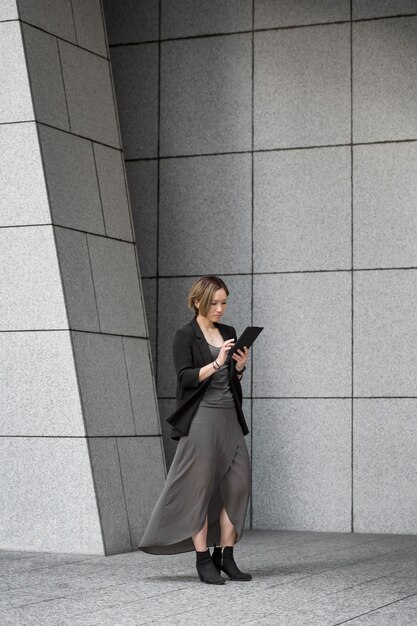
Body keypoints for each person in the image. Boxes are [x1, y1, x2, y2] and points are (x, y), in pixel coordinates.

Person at [138, 275, 252, 584]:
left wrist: (238, 367)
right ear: (197, 302)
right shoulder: (184, 335)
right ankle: (202, 558)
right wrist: (217, 362)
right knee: (198, 488)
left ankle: (225, 556)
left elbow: (230, 381)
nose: (220, 309)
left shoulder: (228, 332)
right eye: (214, 303)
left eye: (224, 302)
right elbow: (185, 378)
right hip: (201, 419)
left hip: (229, 418)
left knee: (238, 485)